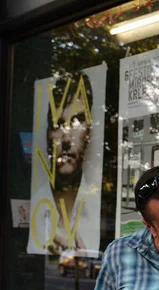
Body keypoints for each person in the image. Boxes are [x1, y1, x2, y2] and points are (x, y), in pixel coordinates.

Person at [46, 72, 94, 253]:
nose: (66, 139)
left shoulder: (95, 208)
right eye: (58, 124)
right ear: (48, 134)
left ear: (90, 130)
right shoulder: (40, 212)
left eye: (77, 120)